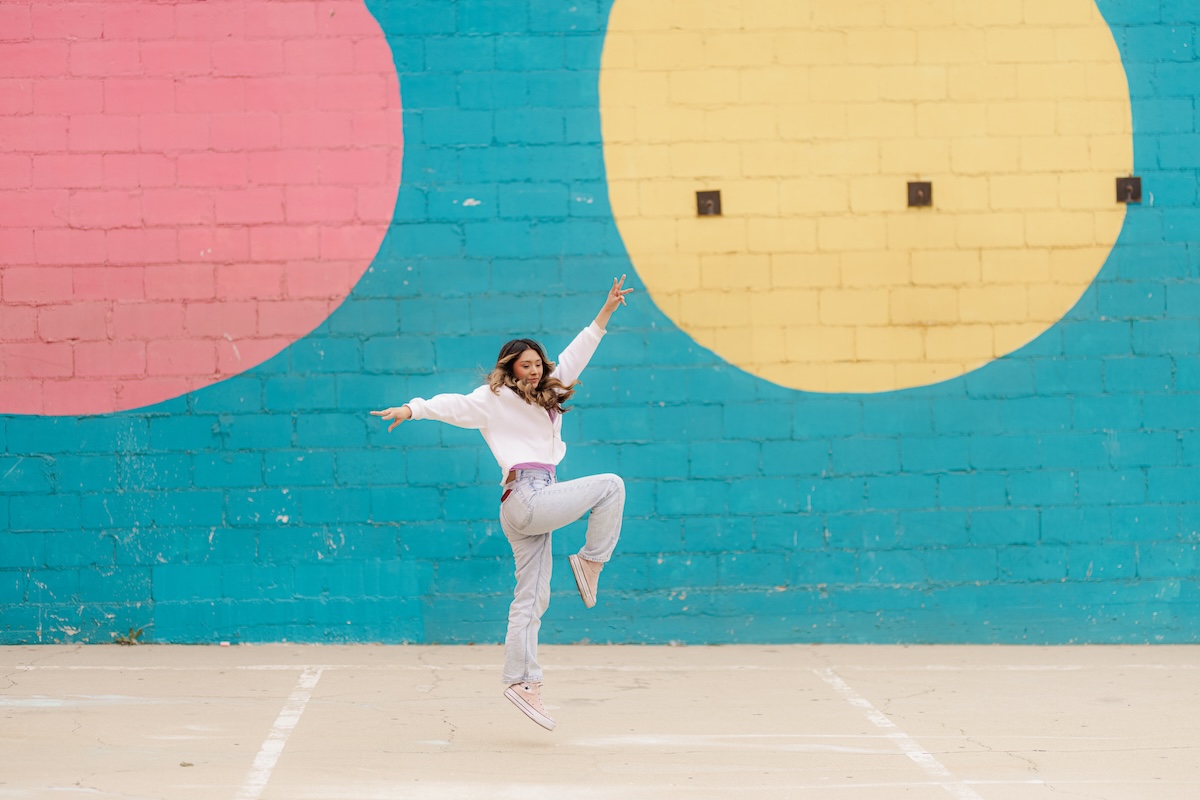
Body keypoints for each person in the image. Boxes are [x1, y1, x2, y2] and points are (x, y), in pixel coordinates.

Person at [371, 276, 634, 731]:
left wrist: (605, 311)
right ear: (510, 368)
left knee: (531, 600)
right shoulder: (493, 400)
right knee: (610, 485)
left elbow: (578, 352)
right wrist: (410, 409)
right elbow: (449, 404)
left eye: (538, 364)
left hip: (532, 501)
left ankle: (522, 683)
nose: (534, 370)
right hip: (527, 496)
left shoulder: (549, 394)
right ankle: (591, 561)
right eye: (525, 365)